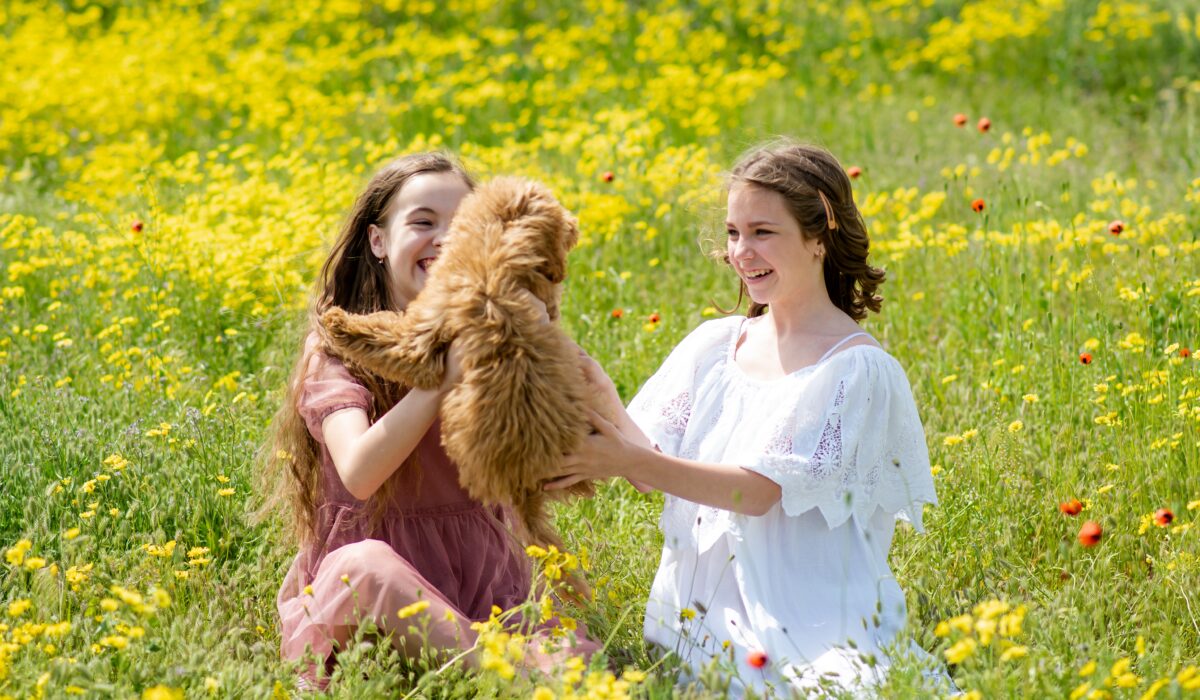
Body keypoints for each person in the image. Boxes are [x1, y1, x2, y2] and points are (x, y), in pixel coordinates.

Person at [548, 140, 941, 695]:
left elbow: (757, 492)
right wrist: (599, 389)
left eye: (763, 232)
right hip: (695, 619)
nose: (741, 252)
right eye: (734, 233)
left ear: (818, 237)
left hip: (810, 610)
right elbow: (648, 467)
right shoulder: (714, 345)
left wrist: (626, 456)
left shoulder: (855, 370)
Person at [265, 152, 596, 688]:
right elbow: (359, 472)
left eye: (462, 224)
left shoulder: (494, 338)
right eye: (422, 222)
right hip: (377, 595)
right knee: (363, 566)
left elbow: (564, 455)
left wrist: (540, 345)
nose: (444, 239)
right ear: (378, 241)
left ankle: (491, 668)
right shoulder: (336, 351)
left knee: (574, 660)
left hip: (482, 583)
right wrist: (441, 378)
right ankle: (509, 682)